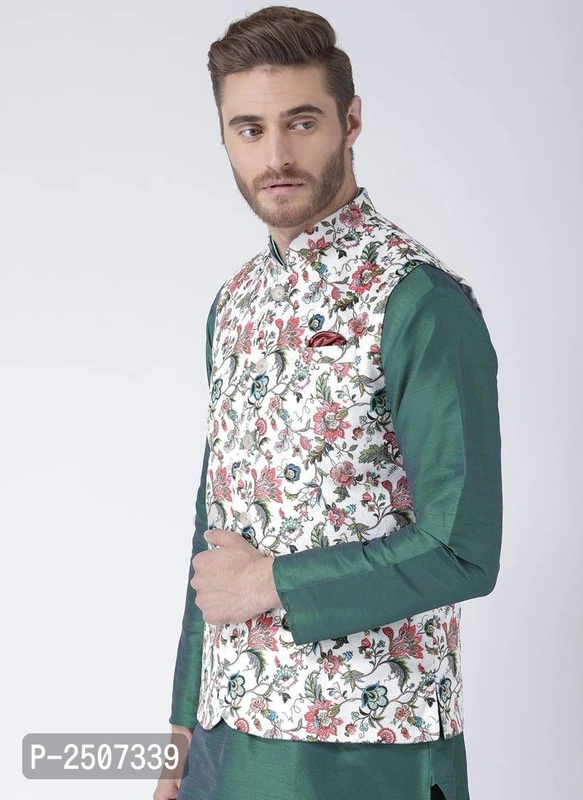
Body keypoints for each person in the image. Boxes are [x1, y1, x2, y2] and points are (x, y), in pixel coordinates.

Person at [154, 6, 502, 800]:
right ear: (224, 138)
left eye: (301, 122)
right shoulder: (235, 303)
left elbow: (464, 548)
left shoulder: (418, 302)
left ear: (351, 120)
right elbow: (213, 534)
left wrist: (275, 583)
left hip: (361, 754)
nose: (276, 155)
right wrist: (181, 726)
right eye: (249, 129)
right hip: (222, 744)